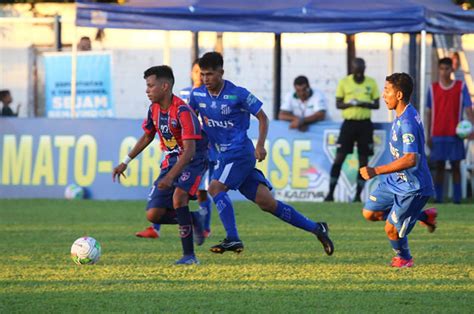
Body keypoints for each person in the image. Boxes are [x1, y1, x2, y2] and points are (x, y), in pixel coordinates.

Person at [189, 51, 334, 255]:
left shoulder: (238, 94)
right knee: (267, 203)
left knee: (215, 188)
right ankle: (317, 228)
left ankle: (233, 238)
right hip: (221, 156)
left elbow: (263, 118)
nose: (205, 79)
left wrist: (260, 145)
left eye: (210, 74)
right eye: (202, 75)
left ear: (221, 72)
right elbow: (192, 122)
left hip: (240, 153)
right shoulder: (197, 95)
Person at [112, 65, 207, 265]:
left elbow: (189, 151)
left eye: (150, 86)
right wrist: (125, 162)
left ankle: (189, 256)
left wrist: (171, 176)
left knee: (178, 197)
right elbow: (148, 135)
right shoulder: (153, 109)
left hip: (193, 161)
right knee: (153, 214)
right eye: (147, 86)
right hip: (171, 161)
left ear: (165, 86)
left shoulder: (183, 112)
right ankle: (194, 219)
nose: (147, 90)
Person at [359, 72, 437, 268]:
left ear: (399, 95)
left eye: (387, 91)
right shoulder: (402, 114)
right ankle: (424, 216)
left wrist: (376, 171)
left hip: (413, 188)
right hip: (397, 181)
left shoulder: (408, 122)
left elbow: (411, 159)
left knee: (391, 230)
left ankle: (404, 258)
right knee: (369, 213)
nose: (383, 95)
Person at [136, 59, 214, 239]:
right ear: (192, 73)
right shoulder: (184, 93)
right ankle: (158, 227)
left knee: (199, 192)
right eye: (197, 72)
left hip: (197, 148)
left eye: (204, 73)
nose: (200, 76)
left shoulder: (210, 95)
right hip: (178, 148)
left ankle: (202, 227)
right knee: (170, 194)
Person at [325, 58, 380, 202]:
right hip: (349, 124)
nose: (359, 72)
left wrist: (363, 103)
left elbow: (377, 104)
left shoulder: (371, 82)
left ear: (364, 68)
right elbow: (338, 103)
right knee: (339, 158)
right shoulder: (345, 82)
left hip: (365, 124)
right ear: (352, 68)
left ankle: (357, 196)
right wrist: (349, 104)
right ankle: (330, 194)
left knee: (363, 161)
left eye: (362, 69)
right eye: (357, 68)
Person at [426, 57, 474, 204]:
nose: (444, 72)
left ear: (451, 70)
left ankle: (457, 199)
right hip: (438, 133)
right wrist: (428, 134)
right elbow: (429, 112)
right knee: (439, 166)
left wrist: (472, 127)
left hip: (455, 134)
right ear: (438, 70)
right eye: (441, 69)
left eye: (447, 69)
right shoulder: (432, 89)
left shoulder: (460, 87)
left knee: (455, 165)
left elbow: (468, 108)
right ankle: (438, 198)